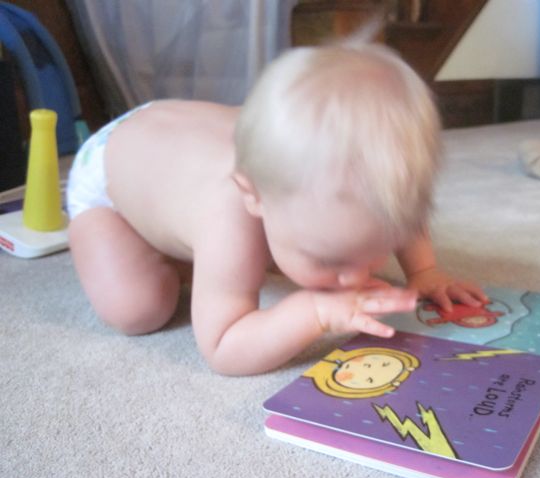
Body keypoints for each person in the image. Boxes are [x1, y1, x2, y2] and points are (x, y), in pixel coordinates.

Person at [66, 39, 487, 375]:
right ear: (253, 195)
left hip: (182, 135)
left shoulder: (367, 182)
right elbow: (222, 348)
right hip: (110, 171)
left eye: (376, 250)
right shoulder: (227, 217)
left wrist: (423, 270)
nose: (357, 278)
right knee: (139, 309)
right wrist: (313, 311)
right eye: (328, 258)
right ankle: (157, 243)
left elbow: (404, 215)